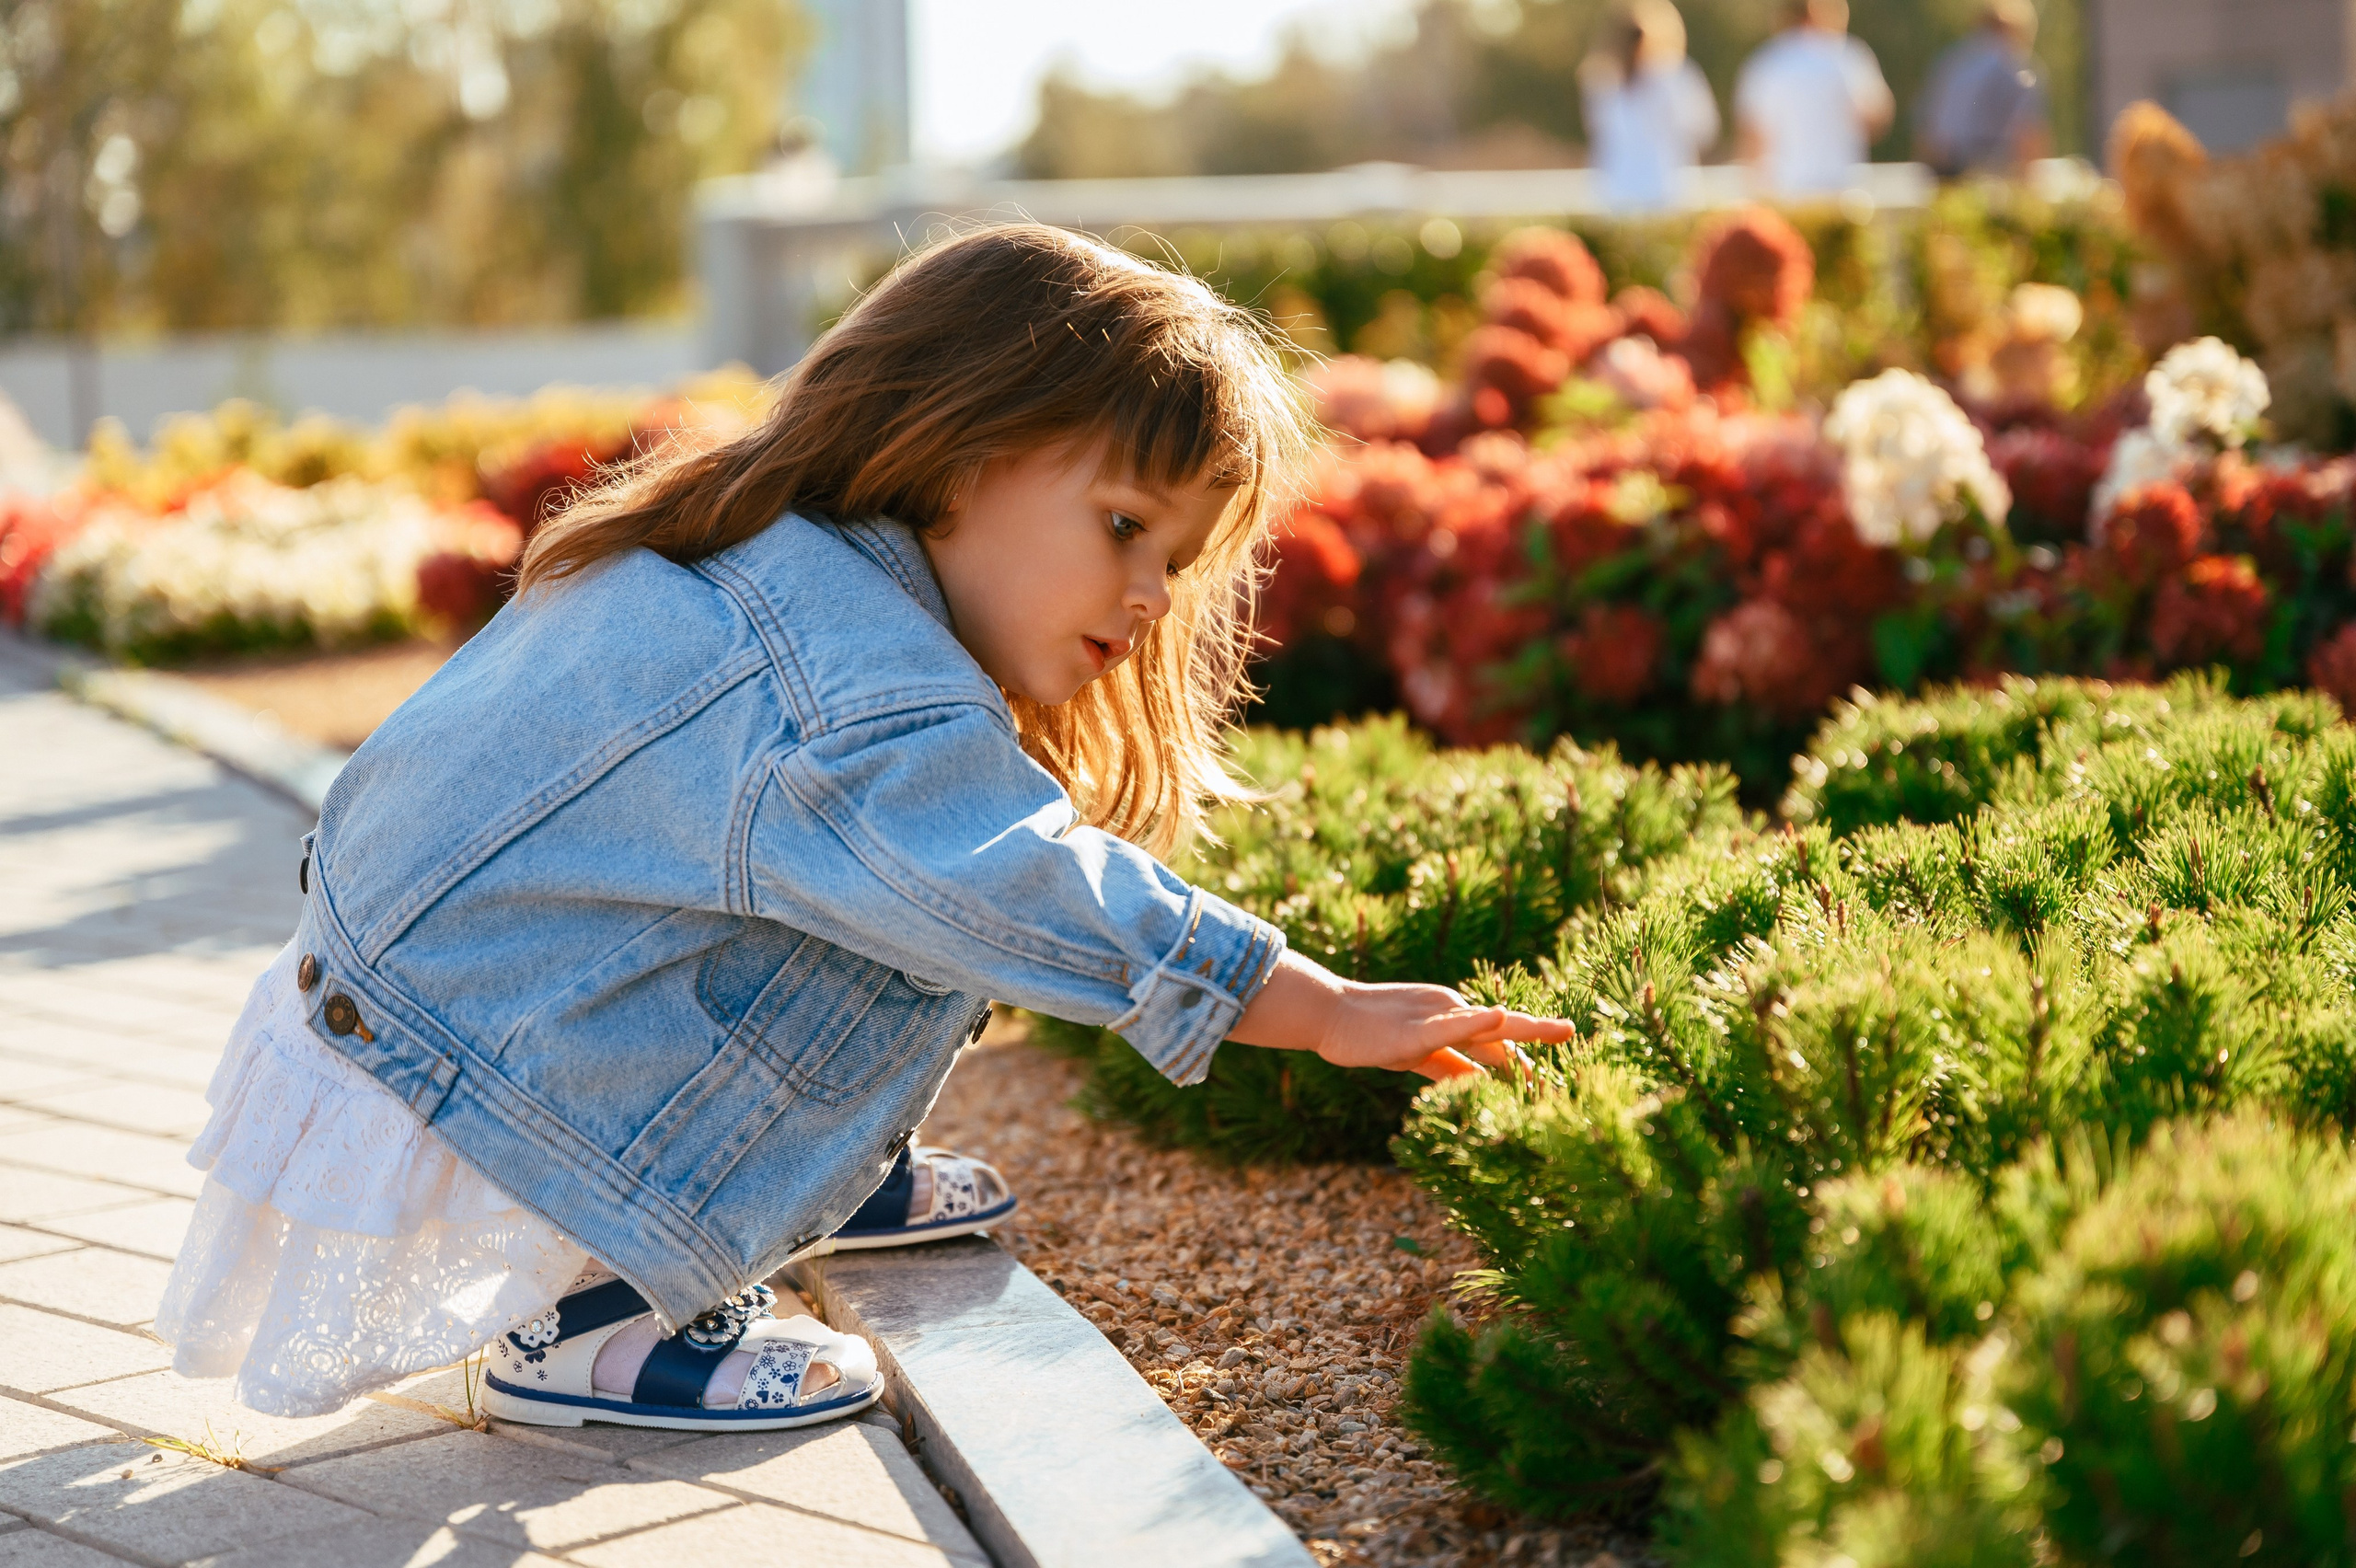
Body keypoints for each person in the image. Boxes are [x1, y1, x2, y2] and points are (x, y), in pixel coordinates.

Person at [152, 224, 1574, 1430]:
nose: (1150, 597)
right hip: (476, 1068)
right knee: (936, 870)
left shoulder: (775, 557)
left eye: (1178, 560)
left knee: (869, 871)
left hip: (416, 1004)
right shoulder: (854, 692)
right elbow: (1019, 885)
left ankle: (810, 1169)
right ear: (962, 455)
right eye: (1126, 526)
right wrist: (1309, 1004)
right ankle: (587, 1324)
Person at [1734, 0, 1895, 196]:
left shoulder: (1766, 61)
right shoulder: (1849, 57)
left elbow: (1752, 138)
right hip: (1844, 188)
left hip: (1787, 190)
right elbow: (1877, 119)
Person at [1580, 0, 1721, 212]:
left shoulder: (1601, 80)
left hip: (1621, 196)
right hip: (1666, 194)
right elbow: (1704, 130)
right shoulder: (1675, 75)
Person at [1915, 0, 2051, 179]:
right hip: (1991, 177)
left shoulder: (1950, 62)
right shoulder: (2018, 67)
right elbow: (2028, 136)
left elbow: (1926, 132)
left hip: (1943, 171)